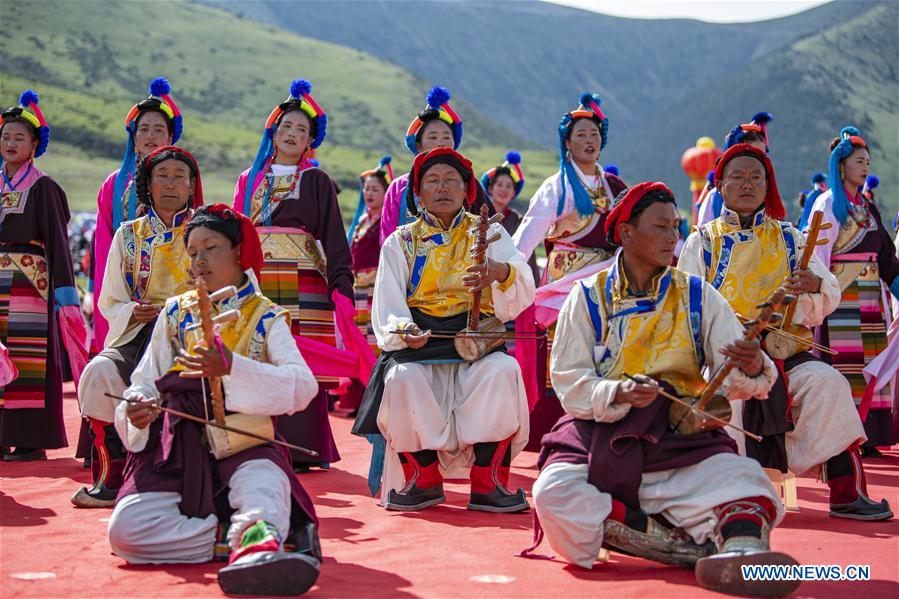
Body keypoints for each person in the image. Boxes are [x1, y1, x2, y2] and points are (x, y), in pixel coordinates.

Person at [530, 182, 800, 598]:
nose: (674, 237)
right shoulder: (586, 296)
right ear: (626, 234)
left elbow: (735, 377)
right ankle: (685, 550)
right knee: (554, 493)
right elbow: (568, 379)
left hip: (680, 438)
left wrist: (752, 363)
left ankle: (743, 550)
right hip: (602, 435)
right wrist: (617, 393)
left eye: (676, 226)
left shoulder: (697, 294)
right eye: (661, 226)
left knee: (749, 481)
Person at [107, 204, 322, 596]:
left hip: (245, 440)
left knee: (264, 486)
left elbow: (303, 386)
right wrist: (137, 409)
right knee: (126, 532)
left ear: (239, 251)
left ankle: (256, 536)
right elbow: (144, 381)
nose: (199, 260)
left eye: (211, 248)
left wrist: (232, 367)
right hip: (178, 447)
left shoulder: (266, 316)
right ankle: (241, 540)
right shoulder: (174, 313)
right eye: (192, 252)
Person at [679, 143, 892, 521]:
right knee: (733, 394)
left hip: (784, 353)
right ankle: (730, 489)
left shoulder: (791, 238)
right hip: (727, 356)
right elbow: (686, 305)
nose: (747, 184)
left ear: (768, 185)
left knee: (829, 384)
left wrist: (813, 285)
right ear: (722, 186)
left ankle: (847, 492)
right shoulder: (703, 242)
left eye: (756, 177)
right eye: (738, 177)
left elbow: (829, 292)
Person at [353, 148, 534, 512]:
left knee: (503, 370)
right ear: (418, 193)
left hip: (476, 341)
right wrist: (405, 330)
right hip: (422, 342)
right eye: (432, 181)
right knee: (402, 377)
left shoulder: (492, 233)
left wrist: (500, 273)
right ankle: (424, 480)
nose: (442, 188)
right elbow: (388, 307)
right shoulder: (400, 241)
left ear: (467, 189)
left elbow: (523, 287)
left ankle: (488, 483)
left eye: (451, 180)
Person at [233, 79, 373, 469]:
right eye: (286, 127)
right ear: (273, 132)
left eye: (301, 129)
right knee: (260, 352)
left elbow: (332, 236)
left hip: (304, 278)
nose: (292, 134)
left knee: (300, 356)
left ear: (311, 139)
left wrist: (340, 285)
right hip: (258, 279)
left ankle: (304, 447)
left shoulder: (316, 181)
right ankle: (259, 438)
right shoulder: (248, 180)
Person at [72, 146, 203, 507]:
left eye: (180, 176)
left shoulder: (209, 230)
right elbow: (109, 298)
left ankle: (184, 477)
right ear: (147, 184)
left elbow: (234, 286)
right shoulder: (128, 234)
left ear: (193, 186)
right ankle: (113, 476)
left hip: (192, 334)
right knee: (99, 372)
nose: (171, 184)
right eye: (162, 176)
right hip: (139, 332)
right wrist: (133, 310)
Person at [511, 92, 627, 446]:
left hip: (607, 284)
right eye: (581, 135)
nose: (589, 141)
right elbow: (527, 235)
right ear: (567, 142)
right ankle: (560, 427)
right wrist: (508, 270)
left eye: (594, 134)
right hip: (566, 285)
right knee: (567, 349)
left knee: (603, 350)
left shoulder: (614, 187)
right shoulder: (557, 186)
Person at [0, 90, 89, 461]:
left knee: (26, 360)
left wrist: (66, 297)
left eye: (19, 137)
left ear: (35, 144)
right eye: (5, 136)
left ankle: (31, 440)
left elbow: (56, 243)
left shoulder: (44, 188)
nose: (10, 143)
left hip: (30, 287)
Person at [805, 127, 899, 450]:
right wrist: (820, 297)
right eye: (860, 161)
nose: (866, 167)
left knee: (872, 362)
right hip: (842, 299)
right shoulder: (827, 204)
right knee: (846, 366)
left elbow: (887, 255)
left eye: (869, 162)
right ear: (841, 165)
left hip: (872, 298)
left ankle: (867, 432)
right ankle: (843, 434)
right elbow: (817, 258)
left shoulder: (868, 209)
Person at [90, 78, 183, 352]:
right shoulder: (114, 184)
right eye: (144, 129)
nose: (150, 136)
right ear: (134, 136)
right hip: (123, 276)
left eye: (158, 129)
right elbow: (105, 240)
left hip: (170, 281)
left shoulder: (182, 179)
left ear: (170, 137)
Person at [379, 86, 493, 244]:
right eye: (433, 137)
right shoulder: (399, 188)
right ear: (418, 146)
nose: (440, 143)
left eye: (446, 137)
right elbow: (387, 240)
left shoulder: (468, 184)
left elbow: (490, 232)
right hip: (409, 266)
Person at [338, 156, 393, 412]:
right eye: (367, 188)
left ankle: (376, 397)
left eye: (375, 189)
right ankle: (358, 395)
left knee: (374, 339)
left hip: (374, 287)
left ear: (386, 193)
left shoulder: (386, 222)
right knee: (357, 337)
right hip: (358, 287)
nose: (369, 193)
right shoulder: (361, 221)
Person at [696, 112, 772, 227]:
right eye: (751, 153)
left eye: (762, 154)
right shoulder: (715, 197)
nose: (758, 160)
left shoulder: (768, 194)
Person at [481, 151, 539, 284]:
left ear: (513, 193)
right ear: (491, 188)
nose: (504, 190)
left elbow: (527, 257)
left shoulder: (518, 221)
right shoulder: (479, 217)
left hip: (508, 281)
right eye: (499, 184)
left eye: (509, 186)